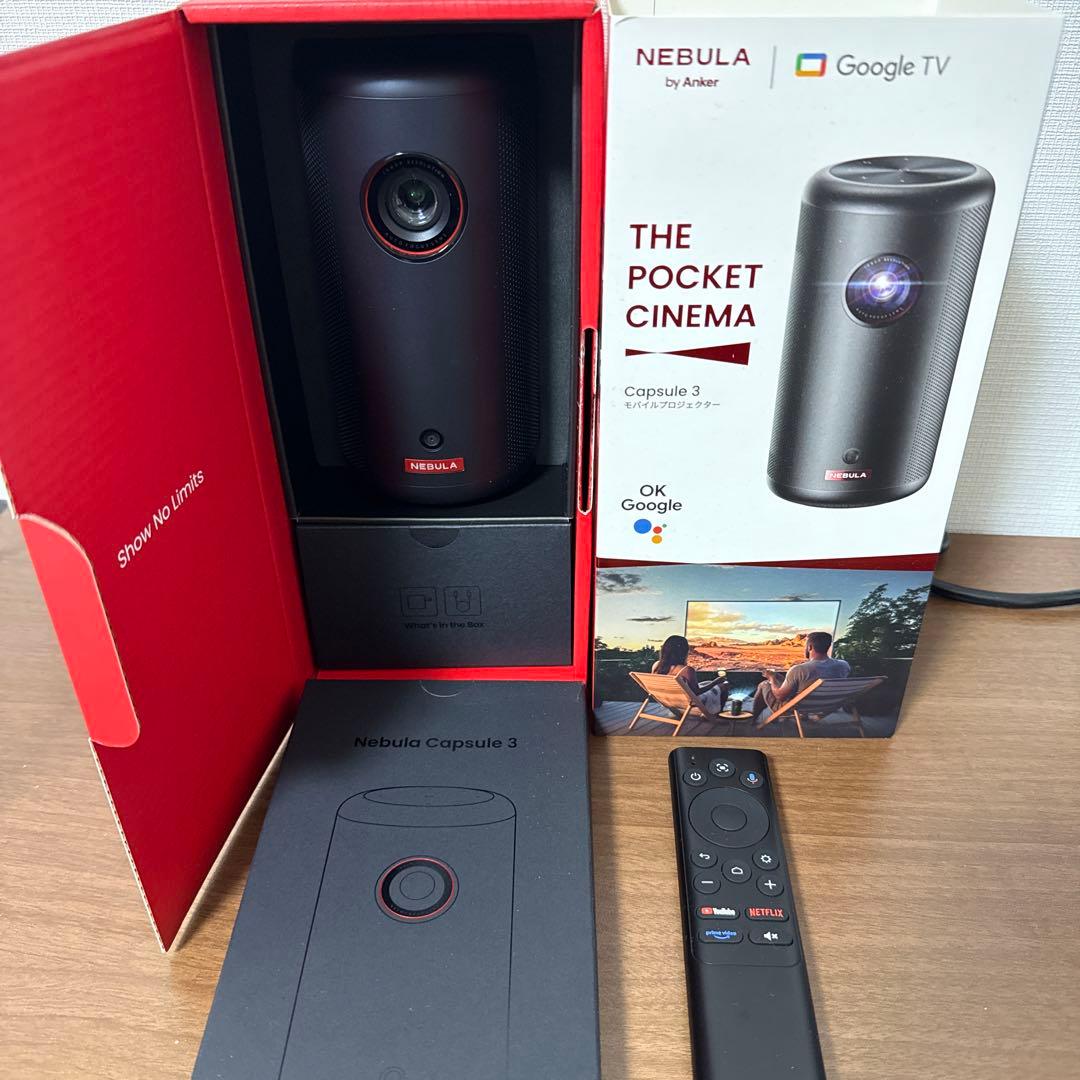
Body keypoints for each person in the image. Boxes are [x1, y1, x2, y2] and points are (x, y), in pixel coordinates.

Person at [750, 630, 850, 720]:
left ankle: (754, 719)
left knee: (764, 684)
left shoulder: (799, 669)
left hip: (797, 708)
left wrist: (771, 677)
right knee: (782, 680)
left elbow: (780, 697)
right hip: (829, 705)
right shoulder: (843, 665)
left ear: (810, 647)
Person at [652, 635, 729, 715]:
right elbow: (696, 692)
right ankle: (719, 714)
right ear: (683, 652)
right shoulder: (686, 670)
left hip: (669, 701)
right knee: (723, 685)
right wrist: (715, 682)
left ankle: (679, 714)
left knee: (707, 682)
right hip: (688, 703)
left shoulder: (657, 666)